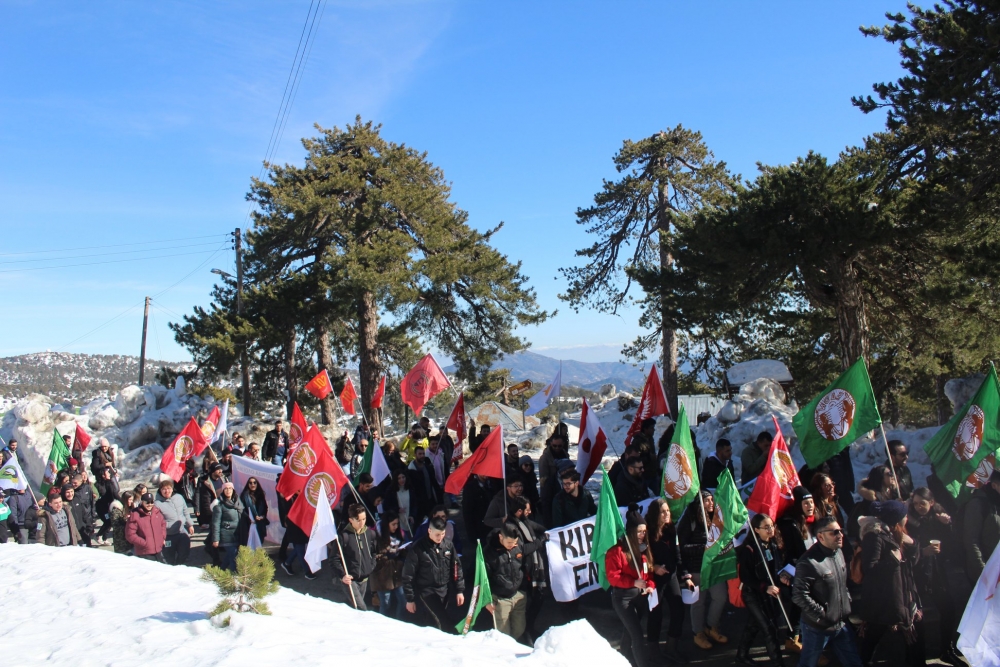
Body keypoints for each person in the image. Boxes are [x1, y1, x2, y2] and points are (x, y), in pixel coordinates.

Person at [857, 500, 922, 667]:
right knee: (873, 639)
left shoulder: (895, 533)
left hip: (901, 594)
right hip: (884, 599)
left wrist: (913, 545)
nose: (907, 518)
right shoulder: (875, 536)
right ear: (896, 519)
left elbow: (910, 563)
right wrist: (892, 561)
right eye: (904, 515)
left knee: (908, 639)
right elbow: (869, 567)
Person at [791, 517, 863, 667]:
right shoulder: (808, 562)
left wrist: (846, 600)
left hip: (841, 623)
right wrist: (822, 615)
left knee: (854, 662)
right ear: (821, 536)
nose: (840, 535)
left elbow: (842, 583)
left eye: (841, 531)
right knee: (808, 663)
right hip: (817, 628)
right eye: (835, 532)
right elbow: (799, 595)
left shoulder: (838, 552)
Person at [907, 487, 963, 667]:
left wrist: (948, 526)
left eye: (922, 503)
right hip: (917, 574)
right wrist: (922, 552)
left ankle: (947, 649)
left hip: (936, 573)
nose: (918, 507)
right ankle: (917, 659)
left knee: (948, 609)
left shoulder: (938, 518)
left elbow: (953, 547)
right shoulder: (909, 521)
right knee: (918, 617)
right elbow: (905, 548)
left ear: (931, 503)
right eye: (915, 504)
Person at [736, 513, 790, 667]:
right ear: (756, 530)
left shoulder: (772, 546)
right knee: (769, 629)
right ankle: (778, 663)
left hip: (768, 593)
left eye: (771, 526)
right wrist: (765, 587)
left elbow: (776, 569)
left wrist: (782, 577)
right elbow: (745, 577)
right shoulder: (750, 549)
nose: (770, 529)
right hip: (753, 594)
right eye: (766, 527)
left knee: (753, 625)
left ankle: (741, 654)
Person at [678, 490, 729, 649]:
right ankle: (698, 633)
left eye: (711, 500)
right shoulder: (690, 520)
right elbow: (682, 547)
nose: (711, 504)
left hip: (712, 568)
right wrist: (704, 548)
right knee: (698, 602)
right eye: (707, 501)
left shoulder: (715, 518)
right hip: (696, 568)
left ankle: (711, 626)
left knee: (720, 596)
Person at [606, 507, 656, 667]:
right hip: (623, 598)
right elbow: (613, 577)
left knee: (629, 632)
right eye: (640, 531)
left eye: (644, 531)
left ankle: (623, 658)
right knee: (637, 635)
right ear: (632, 532)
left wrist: (649, 586)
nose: (643, 535)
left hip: (640, 597)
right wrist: (633, 582)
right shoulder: (616, 551)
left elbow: (649, 575)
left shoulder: (644, 550)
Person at [644, 498, 691, 663]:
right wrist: (654, 566)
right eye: (663, 512)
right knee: (655, 615)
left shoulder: (672, 530)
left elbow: (677, 554)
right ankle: (653, 652)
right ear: (656, 514)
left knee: (678, 611)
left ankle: (672, 648)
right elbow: (640, 558)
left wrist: (685, 576)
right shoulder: (647, 533)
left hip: (670, 577)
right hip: (655, 580)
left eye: (668, 511)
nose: (666, 514)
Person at [402, 516, 465, 632]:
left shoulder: (448, 545)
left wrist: (459, 590)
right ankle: (452, 638)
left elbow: (456, 568)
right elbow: (408, 574)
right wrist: (410, 599)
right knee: (442, 620)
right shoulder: (418, 548)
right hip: (427, 591)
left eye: (442, 534)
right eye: (437, 535)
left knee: (432, 621)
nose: (440, 537)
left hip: (444, 589)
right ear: (429, 531)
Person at [484, 520, 528, 641]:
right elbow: (484, 578)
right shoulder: (489, 553)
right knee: (503, 635)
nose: (512, 546)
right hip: (500, 598)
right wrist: (486, 600)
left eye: (514, 543)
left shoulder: (517, 545)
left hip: (518, 594)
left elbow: (524, 560)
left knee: (519, 629)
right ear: (500, 537)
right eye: (509, 542)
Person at [331, 504, 378, 610]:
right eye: (358, 520)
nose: (362, 522)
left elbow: (374, 552)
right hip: (351, 580)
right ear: (351, 520)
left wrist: (371, 566)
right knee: (362, 608)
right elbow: (334, 559)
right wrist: (343, 575)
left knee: (354, 607)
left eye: (364, 519)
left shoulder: (370, 534)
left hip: (364, 579)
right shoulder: (344, 536)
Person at [963, 468, 1000, 582]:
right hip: (988, 574)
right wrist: (983, 573)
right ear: (994, 485)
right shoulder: (978, 504)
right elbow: (972, 542)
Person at [371, 514, 407, 619]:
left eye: (397, 524)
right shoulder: (377, 536)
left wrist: (402, 551)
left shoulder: (399, 534)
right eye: (393, 524)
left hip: (397, 573)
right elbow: (374, 556)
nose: (396, 526)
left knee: (403, 599)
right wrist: (386, 552)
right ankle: (383, 624)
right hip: (383, 575)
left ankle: (399, 621)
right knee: (386, 603)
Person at [155, 479, 194, 564]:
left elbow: (185, 511)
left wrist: (190, 524)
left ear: (172, 489)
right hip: (168, 534)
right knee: (168, 557)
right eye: (164, 489)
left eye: (169, 488)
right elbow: (157, 522)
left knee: (185, 552)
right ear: (160, 490)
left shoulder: (179, 497)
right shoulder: (157, 504)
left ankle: (179, 566)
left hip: (181, 531)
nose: (167, 491)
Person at [778, 486, 817, 564]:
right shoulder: (790, 524)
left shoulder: (817, 520)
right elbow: (790, 552)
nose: (810, 506)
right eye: (806, 503)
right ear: (799, 505)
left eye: (811, 502)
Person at [210, 482, 244, 571]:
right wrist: (215, 539)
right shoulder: (219, 505)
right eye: (226, 488)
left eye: (230, 488)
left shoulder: (237, 502)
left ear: (233, 490)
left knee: (230, 556)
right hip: (226, 535)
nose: (228, 490)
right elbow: (215, 523)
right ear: (223, 490)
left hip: (236, 534)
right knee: (233, 557)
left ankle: (220, 571)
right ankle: (234, 577)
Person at [280, 494, 314, 579]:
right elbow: (289, 511)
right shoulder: (289, 497)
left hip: (302, 524)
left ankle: (287, 563)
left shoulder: (303, 494)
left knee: (299, 547)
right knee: (300, 547)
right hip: (294, 525)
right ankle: (307, 571)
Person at [126, 492, 167, 562]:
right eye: (147, 502)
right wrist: (144, 543)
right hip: (144, 553)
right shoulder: (135, 515)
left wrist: (162, 537)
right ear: (142, 502)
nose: (150, 504)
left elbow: (163, 524)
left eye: (151, 502)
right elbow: (130, 535)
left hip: (158, 550)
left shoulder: (156, 512)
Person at [383, 470, 420, 538]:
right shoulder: (391, 491)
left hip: (409, 520)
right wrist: (397, 510)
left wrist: (412, 515)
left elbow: (414, 504)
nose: (402, 480)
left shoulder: (410, 488)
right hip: (399, 521)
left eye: (403, 477)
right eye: (399, 478)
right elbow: (386, 506)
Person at [462, 474, 495, 545]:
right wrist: (471, 534)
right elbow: (467, 512)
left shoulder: (493, 483)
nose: (485, 474)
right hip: (479, 527)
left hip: (492, 525)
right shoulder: (470, 487)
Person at [62, 483, 94, 548]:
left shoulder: (77, 498)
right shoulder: (62, 504)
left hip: (82, 530)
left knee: (88, 548)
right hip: (72, 533)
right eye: (67, 492)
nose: (70, 494)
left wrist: (89, 525)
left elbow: (84, 513)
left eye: (71, 491)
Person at [93, 466, 120, 545]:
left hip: (109, 505)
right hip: (101, 507)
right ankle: (98, 535)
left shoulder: (109, 482)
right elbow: (103, 494)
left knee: (110, 521)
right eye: (107, 472)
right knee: (108, 521)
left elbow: (115, 492)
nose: (109, 474)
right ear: (103, 475)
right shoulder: (98, 484)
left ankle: (104, 538)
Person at [69, 472, 97, 546]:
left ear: (81, 481)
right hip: (79, 519)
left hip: (88, 518)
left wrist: (93, 517)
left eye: (75, 483)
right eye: (72, 482)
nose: (73, 485)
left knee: (88, 538)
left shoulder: (87, 488)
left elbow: (92, 502)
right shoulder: (72, 492)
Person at [239, 477, 269, 545]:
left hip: (260, 524)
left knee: (259, 545)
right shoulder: (244, 496)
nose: (253, 484)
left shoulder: (261, 495)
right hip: (249, 525)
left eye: (254, 482)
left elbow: (265, 508)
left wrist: (262, 516)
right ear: (248, 484)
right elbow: (241, 510)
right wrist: (249, 518)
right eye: (250, 483)